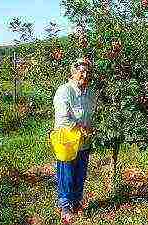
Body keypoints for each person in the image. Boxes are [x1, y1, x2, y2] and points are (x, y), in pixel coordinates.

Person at [53, 57, 95, 224]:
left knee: (80, 174)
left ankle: (76, 202)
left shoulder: (89, 92)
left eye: (87, 71)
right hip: (68, 140)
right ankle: (65, 206)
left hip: (84, 141)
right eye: (81, 70)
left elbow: (93, 114)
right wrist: (81, 126)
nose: (84, 74)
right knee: (67, 174)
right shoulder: (65, 91)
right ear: (73, 71)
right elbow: (62, 118)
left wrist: (91, 127)